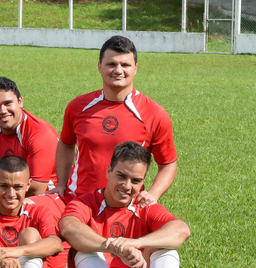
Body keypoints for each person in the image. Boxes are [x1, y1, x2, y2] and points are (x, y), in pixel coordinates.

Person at [58, 141, 191, 268]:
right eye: (121, 176)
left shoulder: (144, 205)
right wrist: (113, 246)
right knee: (82, 250)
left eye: (135, 180)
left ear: (143, 182)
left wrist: (137, 242)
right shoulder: (86, 202)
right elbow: (68, 227)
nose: (127, 186)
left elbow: (182, 230)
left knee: (166, 249)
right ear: (108, 171)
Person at [0, 76, 68, 268]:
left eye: (8, 103)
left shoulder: (39, 133)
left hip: (49, 197)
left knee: (24, 204)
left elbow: (37, 188)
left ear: (20, 101)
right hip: (9, 192)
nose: (2, 111)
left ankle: (47, 265)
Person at [56, 35, 177, 204]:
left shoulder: (154, 114)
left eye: (125, 65)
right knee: (31, 211)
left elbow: (168, 164)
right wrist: (61, 184)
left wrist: (153, 194)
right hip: (78, 201)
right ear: (99, 66)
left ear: (135, 68)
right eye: (111, 64)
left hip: (125, 206)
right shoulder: (78, 107)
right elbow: (66, 144)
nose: (118, 70)